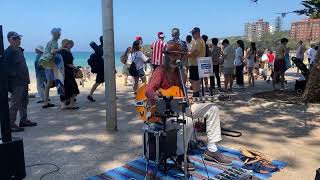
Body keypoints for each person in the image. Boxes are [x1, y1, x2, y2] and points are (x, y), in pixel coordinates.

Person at [145, 42, 232, 170]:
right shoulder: (160, 71)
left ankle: (212, 150)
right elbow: (148, 91)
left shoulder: (180, 72)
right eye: (173, 55)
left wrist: (187, 98)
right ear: (166, 56)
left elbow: (181, 92)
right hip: (165, 114)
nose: (176, 58)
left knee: (212, 108)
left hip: (181, 107)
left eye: (179, 55)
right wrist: (160, 100)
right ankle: (181, 156)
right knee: (188, 122)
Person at [5, 31, 37, 132]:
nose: (19, 40)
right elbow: (5, 67)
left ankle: (23, 120)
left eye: (19, 38)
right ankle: (10, 124)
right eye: (16, 38)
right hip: (16, 82)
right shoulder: (9, 51)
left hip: (23, 81)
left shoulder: (19, 50)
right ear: (11, 40)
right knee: (15, 103)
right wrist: (14, 75)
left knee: (24, 101)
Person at [41, 28, 62, 108]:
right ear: (55, 34)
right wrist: (61, 49)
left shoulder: (49, 42)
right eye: (59, 34)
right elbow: (53, 52)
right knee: (58, 82)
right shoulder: (54, 42)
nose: (60, 35)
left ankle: (45, 102)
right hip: (52, 65)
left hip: (47, 65)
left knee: (49, 83)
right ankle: (63, 101)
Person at [60, 39, 79, 109]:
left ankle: (63, 104)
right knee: (73, 88)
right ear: (66, 44)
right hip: (68, 72)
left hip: (62, 73)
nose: (71, 46)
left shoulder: (61, 51)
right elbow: (67, 63)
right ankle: (71, 104)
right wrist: (75, 67)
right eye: (70, 44)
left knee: (64, 88)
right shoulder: (65, 52)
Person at [188, 27, 205, 97]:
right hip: (193, 64)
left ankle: (196, 93)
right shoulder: (194, 41)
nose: (192, 35)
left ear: (198, 33)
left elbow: (196, 53)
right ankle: (196, 92)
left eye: (193, 33)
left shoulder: (199, 41)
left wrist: (187, 54)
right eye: (192, 33)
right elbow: (192, 51)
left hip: (196, 64)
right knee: (192, 79)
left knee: (195, 79)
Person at [88, 36, 104, 102]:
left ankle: (90, 95)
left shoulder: (99, 48)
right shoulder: (101, 49)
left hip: (101, 69)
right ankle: (90, 95)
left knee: (98, 82)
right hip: (102, 69)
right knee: (98, 82)